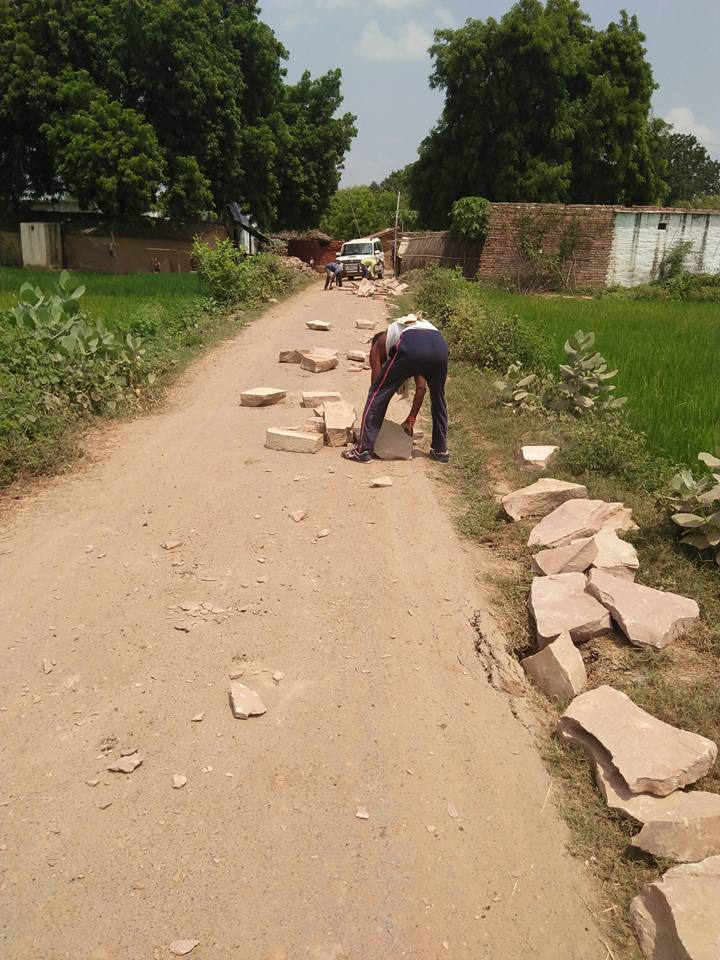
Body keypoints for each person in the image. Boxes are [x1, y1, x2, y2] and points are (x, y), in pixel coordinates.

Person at [343, 314, 449, 464]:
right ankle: (441, 450)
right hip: (440, 347)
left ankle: (362, 450)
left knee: (377, 393)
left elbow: (377, 389)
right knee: (438, 398)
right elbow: (421, 387)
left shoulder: (379, 344)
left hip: (413, 346)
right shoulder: (412, 331)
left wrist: (376, 417)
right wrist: (411, 420)